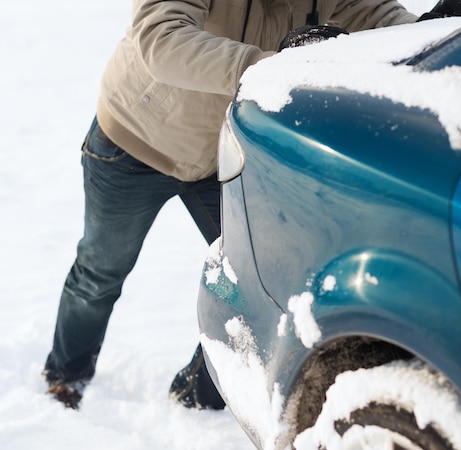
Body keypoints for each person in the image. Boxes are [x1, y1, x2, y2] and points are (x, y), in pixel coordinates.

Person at [43, 0, 460, 410]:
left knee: (251, 279)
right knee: (100, 272)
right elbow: (161, 37)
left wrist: (426, 32)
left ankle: (197, 394)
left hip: (219, 152)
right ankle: (65, 376)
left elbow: (374, 15)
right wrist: (270, 66)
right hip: (134, 143)